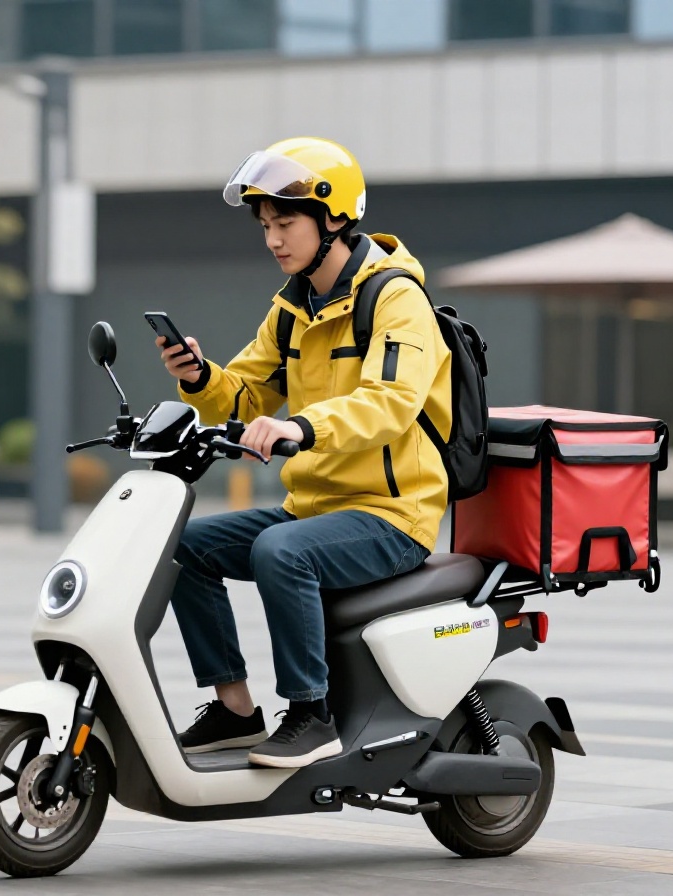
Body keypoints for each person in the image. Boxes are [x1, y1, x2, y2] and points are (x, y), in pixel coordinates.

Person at [154, 137, 451, 768]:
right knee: (183, 547)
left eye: (285, 223)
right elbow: (247, 394)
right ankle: (235, 711)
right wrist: (198, 377)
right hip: (316, 508)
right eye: (266, 226)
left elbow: (391, 401)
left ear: (333, 216)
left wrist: (301, 428)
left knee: (279, 551)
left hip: (392, 514)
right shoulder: (293, 308)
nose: (273, 240)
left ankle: (311, 716)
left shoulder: (397, 299)